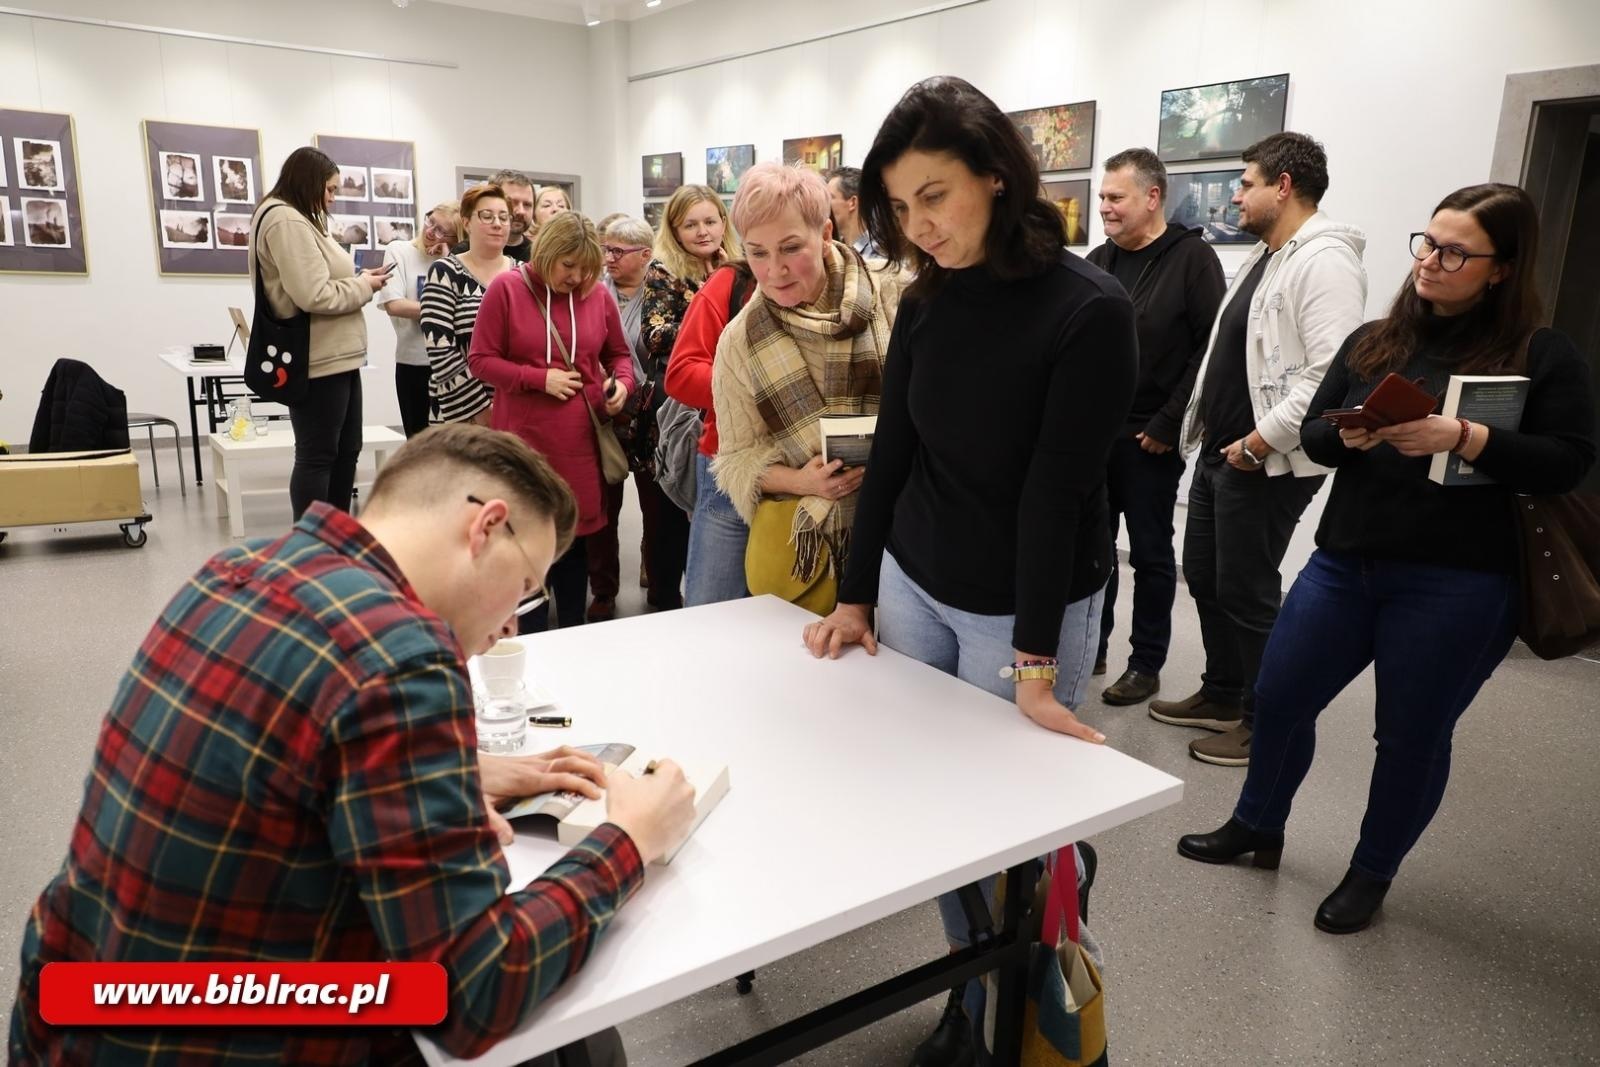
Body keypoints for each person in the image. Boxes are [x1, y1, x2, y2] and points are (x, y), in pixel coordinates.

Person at [7, 424, 698, 1064]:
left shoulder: (241, 567)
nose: (510, 627)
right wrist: (630, 841)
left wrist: (457, 772)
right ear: (485, 527)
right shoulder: (403, 655)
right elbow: (476, 991)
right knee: (582, 1046)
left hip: (77, 1018)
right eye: (523, 588)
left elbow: (279, 746)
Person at [800, 77, 1137, 1067]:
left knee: (1023, 834)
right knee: (938, 817)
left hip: (1020, 605)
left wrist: (1035, 666)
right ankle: (966, 982)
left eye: (935, 196)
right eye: (900, 208)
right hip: (914, 580)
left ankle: (1054, 1013)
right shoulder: (930, 296)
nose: (920, 225)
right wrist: (856, 593)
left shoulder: (1090, 309)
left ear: (997, 175)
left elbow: (1055, 496)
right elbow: (893, 453)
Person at [1178, 183, 1595, 934]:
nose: (1431, 262)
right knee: (1279, 698)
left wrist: (1465, 438)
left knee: (1408, 736)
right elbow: (1313, 437)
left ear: (1501, 268)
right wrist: (1352, 436)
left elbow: (1568, 462)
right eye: (1427, 243)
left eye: (1455, 252)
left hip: (1460, 582)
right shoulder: (1377, 339)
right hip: (1345, 563)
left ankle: (1371, 872)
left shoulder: (1542, 354)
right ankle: (1255, 825)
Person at [1153, 131, 1368, 767]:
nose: (1235, 195)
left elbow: (1333, 372)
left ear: (1282, 186)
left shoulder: (1324, 261)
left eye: (1245, 183)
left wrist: (1256, 442)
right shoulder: (1269, 255)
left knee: (1247, 591)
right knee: (1211, 579)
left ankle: (1262, 719)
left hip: (1268, 459)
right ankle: (1222, 692)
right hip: (1226, 450)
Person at [709, 162, 898, 614]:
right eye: (757, 253)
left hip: (903, 538)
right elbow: (735, 460)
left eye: (791, 247)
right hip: (810, 555)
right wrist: (801, 480)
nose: (774, 271)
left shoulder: (894, 293)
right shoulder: (739, 341)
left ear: (826, 231)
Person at [1086, 149, 1225, 705]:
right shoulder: (1099, 261)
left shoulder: (1192, 260)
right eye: (1101, 198)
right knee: (1094, 550)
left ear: (1152, 197)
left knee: (1149, 553)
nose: (1105, 208)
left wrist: (1170, 422)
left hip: (1150, 439)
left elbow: (1209, 350)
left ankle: (1146, 663)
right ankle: (1091, 646)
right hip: (1095, 437)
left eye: (1115, 197)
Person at [469, 212, 635, 632]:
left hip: (581, 442)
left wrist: (622, 389)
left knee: (576, 542)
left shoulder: (596, 295)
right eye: (567, 265)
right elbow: (480, 361)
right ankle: (532, 639)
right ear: (546, 254)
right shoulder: (507, 289)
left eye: (586, 268)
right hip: (525, 445)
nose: (576, 276)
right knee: (527, 542)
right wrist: (538, 378)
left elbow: (619, 356)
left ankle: (574, 633)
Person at [249, 146, 389, 518]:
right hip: (319, 359)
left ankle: (334, 536)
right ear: (308, 182)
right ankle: (313, 545)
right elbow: (313, 295)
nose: (332, 198)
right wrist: (364, 286)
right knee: (319, 455)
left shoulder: (298, 218)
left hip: (336, 357)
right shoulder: (287, 222)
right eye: (329, 189)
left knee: (345, 451)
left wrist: (360, 281)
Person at [638, 186, 742, 610]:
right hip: (680, 405)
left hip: (725, 408)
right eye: (691, 224)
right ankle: (665, 605)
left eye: (710, 221)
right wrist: (708, 319)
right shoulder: (663, 271)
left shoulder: (740, 267)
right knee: (671, 517)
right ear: (675, 230)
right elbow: (655, 336)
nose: (703, 231)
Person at [664, 252, 760, 607]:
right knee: (711, 610)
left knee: (789, 626)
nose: (776, 262)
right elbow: (682, 374)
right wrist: (761, 389)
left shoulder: (844, 284)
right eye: (760, 247)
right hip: (728, 463)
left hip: (807, 475)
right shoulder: (733, 281)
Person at [586, 215, 656, 621]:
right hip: (606, 413)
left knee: (655, 506)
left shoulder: (664, 294)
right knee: (604, 508)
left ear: (645, 255)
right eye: (606, 249)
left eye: (618, 251)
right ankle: (604, 590)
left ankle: (655, 570)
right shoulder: (594, 293)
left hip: (650, 417)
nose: (608, 258)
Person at [423, 184, 517, 427]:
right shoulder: (445, 272)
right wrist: (482, 410)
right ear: (466, 223)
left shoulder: (522, 274)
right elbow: (440, 348)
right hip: (459, 411)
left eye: (503, 217)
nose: (497, 223)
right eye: (486, 216)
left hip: (516, 406)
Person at [379, 199, 460, 437]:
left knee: (452, 447)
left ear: (454, 239)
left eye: (441, 231)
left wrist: (449, 261)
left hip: (452, 363)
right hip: (413, 363)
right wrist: (442, 309)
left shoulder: (454, 263)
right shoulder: (399, 250)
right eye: (430, 221)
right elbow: (394, 304)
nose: (429, 231)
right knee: (418, 443)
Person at [450, 169, 537, 263]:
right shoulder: (462, 253)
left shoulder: (537, 256)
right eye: (512, 202)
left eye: (527, 205)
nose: (521, 211)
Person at [825, 165, 881, 259]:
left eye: (830, 197)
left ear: (853, 203)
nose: (825, 204)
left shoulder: (878, 258)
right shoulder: (834, 250)